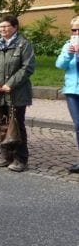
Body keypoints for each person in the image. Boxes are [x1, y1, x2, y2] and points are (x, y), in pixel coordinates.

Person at [0, 15, 34, 172]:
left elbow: (27, 67)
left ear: (15, 27)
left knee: (17, 125)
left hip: (16, 94)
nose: (2, 29)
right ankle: (6, 156)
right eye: (0, 27)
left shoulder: (23, 45)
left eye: (5, 26)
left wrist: (10, 84)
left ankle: (21, 158)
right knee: (2, 124)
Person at [55, 16, 79, 174]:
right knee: (78, 126)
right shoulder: (68, 45)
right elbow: (59, 65)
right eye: (74, 30)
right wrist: (69, 54)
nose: (76, 32)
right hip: (72, 91)